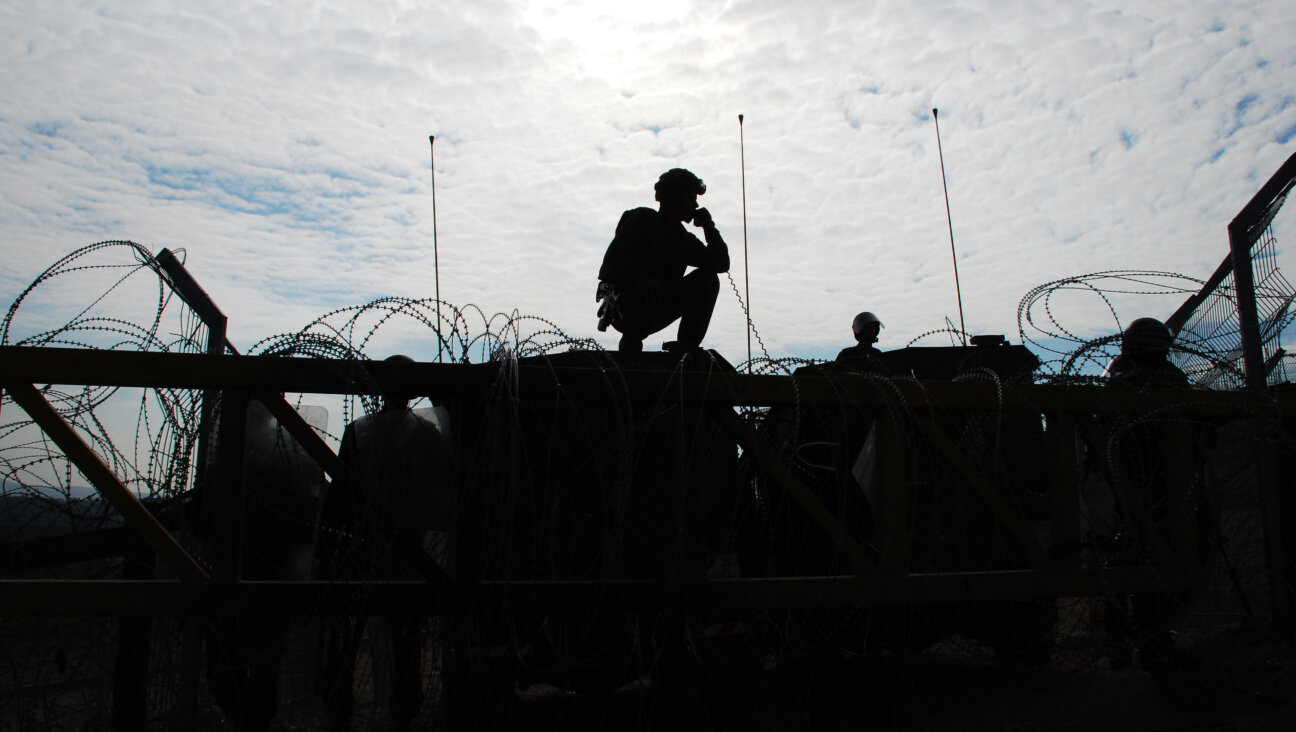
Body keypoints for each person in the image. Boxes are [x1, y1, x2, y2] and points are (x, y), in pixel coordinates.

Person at [322, 355, 453, 732]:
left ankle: (340, 710)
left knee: (347, 637)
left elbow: (341, 500)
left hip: (364, 550)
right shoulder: (429, 435)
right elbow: (441, 498)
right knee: (406, 640)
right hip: (414, 552)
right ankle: (404, 711)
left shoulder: (360, 430)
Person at [1101, 317, 1203, 673]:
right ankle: (1150, 636)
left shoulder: (1116, 383)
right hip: (1167, 489)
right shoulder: (1170, 381)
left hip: (1127, 489)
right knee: (1166, 562)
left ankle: (1123, 639)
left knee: (1124, 562)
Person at [596, 168, 731, 354]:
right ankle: (631, 342)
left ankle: (686, 347)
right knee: (647, 295)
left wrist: (709, 226)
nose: (695, 204)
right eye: (691, 198)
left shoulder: (683, 239)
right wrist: (640, 280)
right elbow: (612, 264)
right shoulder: (641, 220)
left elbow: (720, 263)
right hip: (625, 305)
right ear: (673, 197)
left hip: (662, 302)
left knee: (707, 279)